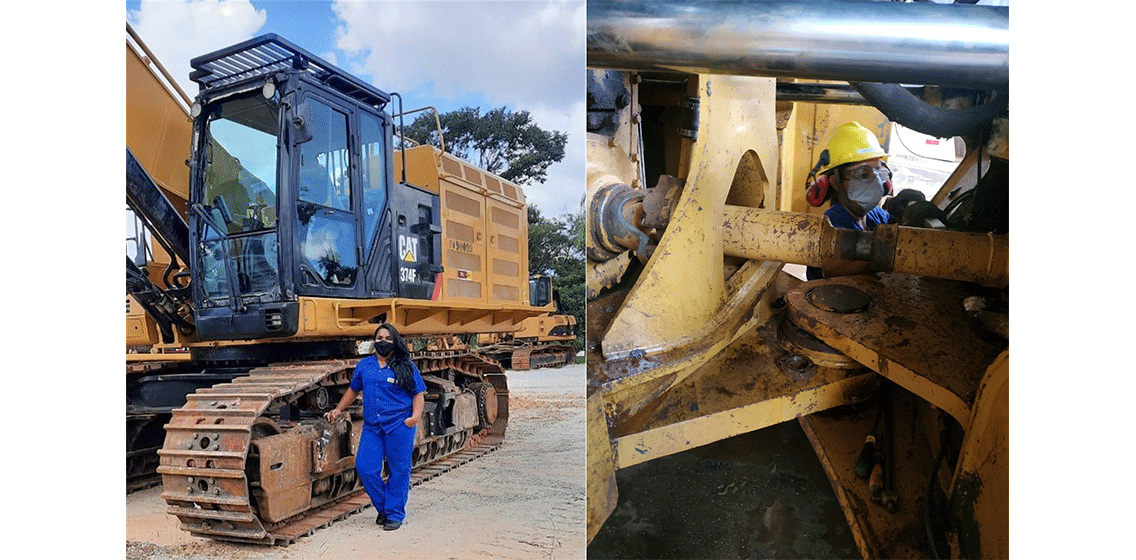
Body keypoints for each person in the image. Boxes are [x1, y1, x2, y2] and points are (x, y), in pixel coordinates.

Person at [325, 323, 426, 531]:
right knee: (365, 468)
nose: (383, 342)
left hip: (399, 425)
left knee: (399, 471)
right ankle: (385, 508)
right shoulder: (365, 365)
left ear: (395, 341)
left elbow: (418, 394)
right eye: (379, 338)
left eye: (388, 338)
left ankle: (395, 514)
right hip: (373, 427)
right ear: (374, 340)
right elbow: (353, 390)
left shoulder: (405, 366)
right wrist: (338, 409)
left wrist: (414, 418)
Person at [804, 121, 896, 280]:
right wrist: (895, 254)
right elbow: (836, 267)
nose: (876, 182)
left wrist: (907, 213)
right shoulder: (830, 224)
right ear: (835, 182)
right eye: (863, 175)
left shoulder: (875, 214)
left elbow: (896, 229)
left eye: (878, 171)